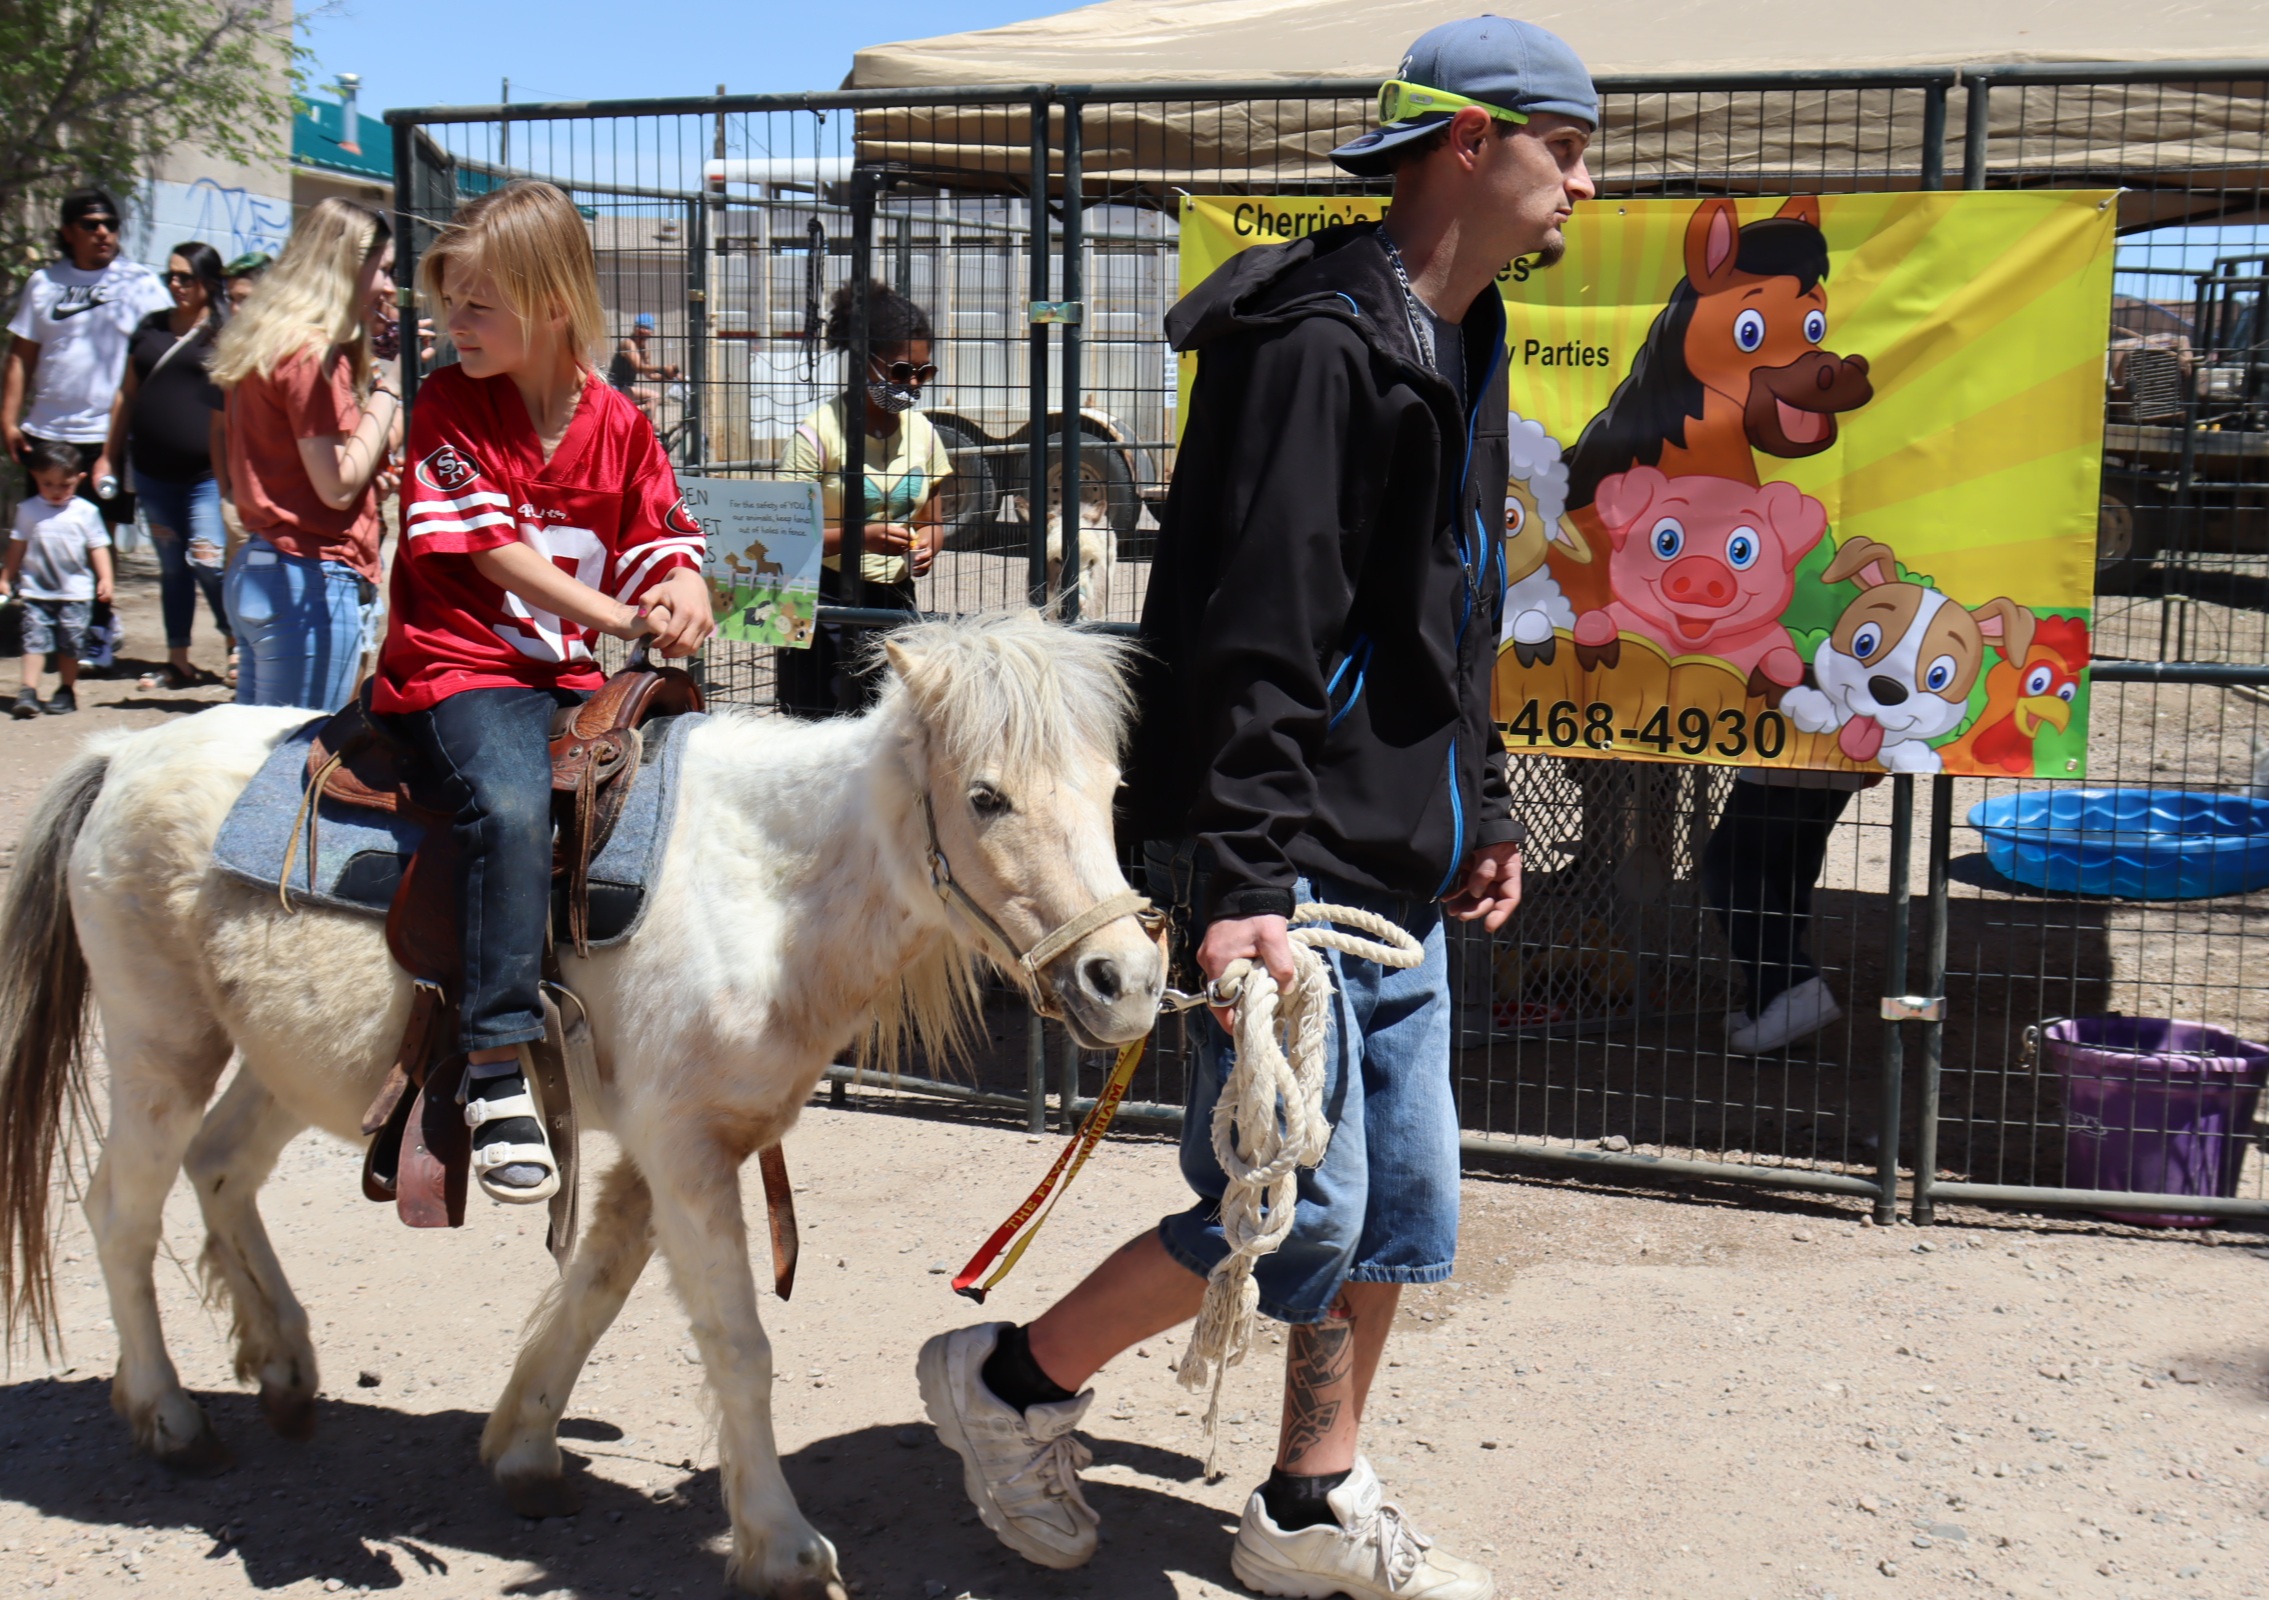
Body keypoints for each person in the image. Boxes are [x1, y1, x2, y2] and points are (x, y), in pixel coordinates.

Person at [916, 18, 1593, 1599]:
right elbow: (1255, 635)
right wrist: (1238, 883)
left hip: (1395, 857)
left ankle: (1305, 1501)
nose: (1585, 181)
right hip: (1286, 865)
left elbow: (1449, 608)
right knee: (1290, 1206)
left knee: (1401, 1208)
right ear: (1469, 147)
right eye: (1567, 146)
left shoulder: (1460, 332)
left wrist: (1480, 799)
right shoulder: (1313, 344)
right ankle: (1006, 1386)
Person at [371, 179, 712, 1201]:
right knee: (512, 803)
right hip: (458, 667)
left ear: (552, 302)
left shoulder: (619, 422)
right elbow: (492, 555)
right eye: (447, 304)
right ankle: (490, 1062)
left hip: (566, 678)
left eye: (478, 305)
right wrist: (618, 619)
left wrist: (684, 588)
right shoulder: (444, 402)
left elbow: (664, 535)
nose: (453, 325)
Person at [209, 198, 401, 710]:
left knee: (255, 762)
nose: (387, 286)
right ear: (346, 265)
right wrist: (390, 387)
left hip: (263, 570)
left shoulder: (268, 342)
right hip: (310, 578)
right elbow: (337, 485)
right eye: (382, 269)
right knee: (294, 768)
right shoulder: (313, 354)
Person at [775, 281, 948, 716]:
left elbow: (931, 517)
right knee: (821, 727)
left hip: (894, 604)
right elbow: (782, 538)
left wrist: (928, 544)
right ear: (862, 362)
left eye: (924, 374)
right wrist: (861, 537)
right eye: (901, 372)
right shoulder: (819, 434)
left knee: (890, 726)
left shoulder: (923, 433)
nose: (912, 385)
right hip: (823, 603)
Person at [102, 241, 231, 690]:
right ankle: (178, 660)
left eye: (186, 277)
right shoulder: (150, 329)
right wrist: (107, 455)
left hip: (206, 475)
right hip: (154, 473)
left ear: (209, 283)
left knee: (207, 560)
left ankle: (235, 645)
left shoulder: (223, 333)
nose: (175, 284)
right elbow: (126, 395)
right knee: (172, 566)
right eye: (170, 276)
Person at [2, 188, 171, 522]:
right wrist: (7, 421)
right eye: (90, 225)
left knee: (98, 538)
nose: (103, 233)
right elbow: (21, 357)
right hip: (46, 433)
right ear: (67, 232)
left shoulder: (142, 284)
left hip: (107, 438)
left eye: (110, 224)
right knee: (41, 533)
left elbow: (165, 354)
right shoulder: (43, 283)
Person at [1702, 769, 1871, 1052]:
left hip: (1790, 751)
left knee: (1730, 864)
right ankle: (1771, 997)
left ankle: (1791, 985)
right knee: (1785, 865)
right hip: (1836, 747)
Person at [3, 438, 113, 717]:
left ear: (80, 479)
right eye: (47, 483)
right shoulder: (28, 511)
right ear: (35, 478)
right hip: (36, 592)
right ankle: (28, 691)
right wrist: (6, 576)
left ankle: (66, 690)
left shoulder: (86, 513)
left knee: (71, 644)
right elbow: (18, 546)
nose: (55, 491)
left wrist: (106, 578)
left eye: (64, 485)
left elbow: (98, 547)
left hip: (75, 593)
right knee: (33, 641)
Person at [606, 312, 678, 415]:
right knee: (654, 396)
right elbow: (639, 367)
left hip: (627, 388)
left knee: (654, 418)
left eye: (647, 329)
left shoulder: (644, 349)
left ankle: (644, 422)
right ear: (635, 329)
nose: (643, 332)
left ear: (651, 333)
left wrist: (668, 376)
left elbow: (650, 375)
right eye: (641, 329)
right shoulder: (628, 343)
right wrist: (663, 368)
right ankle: (631, 415)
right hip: (615, 387)